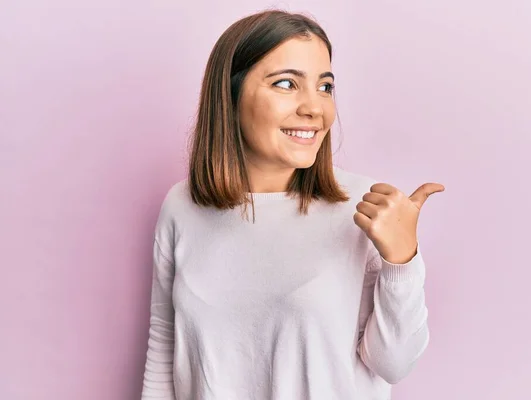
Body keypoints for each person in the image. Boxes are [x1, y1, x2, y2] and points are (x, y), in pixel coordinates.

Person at [141, 9, 444, 400]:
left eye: (325, 87)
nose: (315, 109)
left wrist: (401, 260)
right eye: (286, 84)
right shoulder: (181, 207)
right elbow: (164, 350)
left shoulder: (364, 207)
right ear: (229, 95)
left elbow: (393, 364)